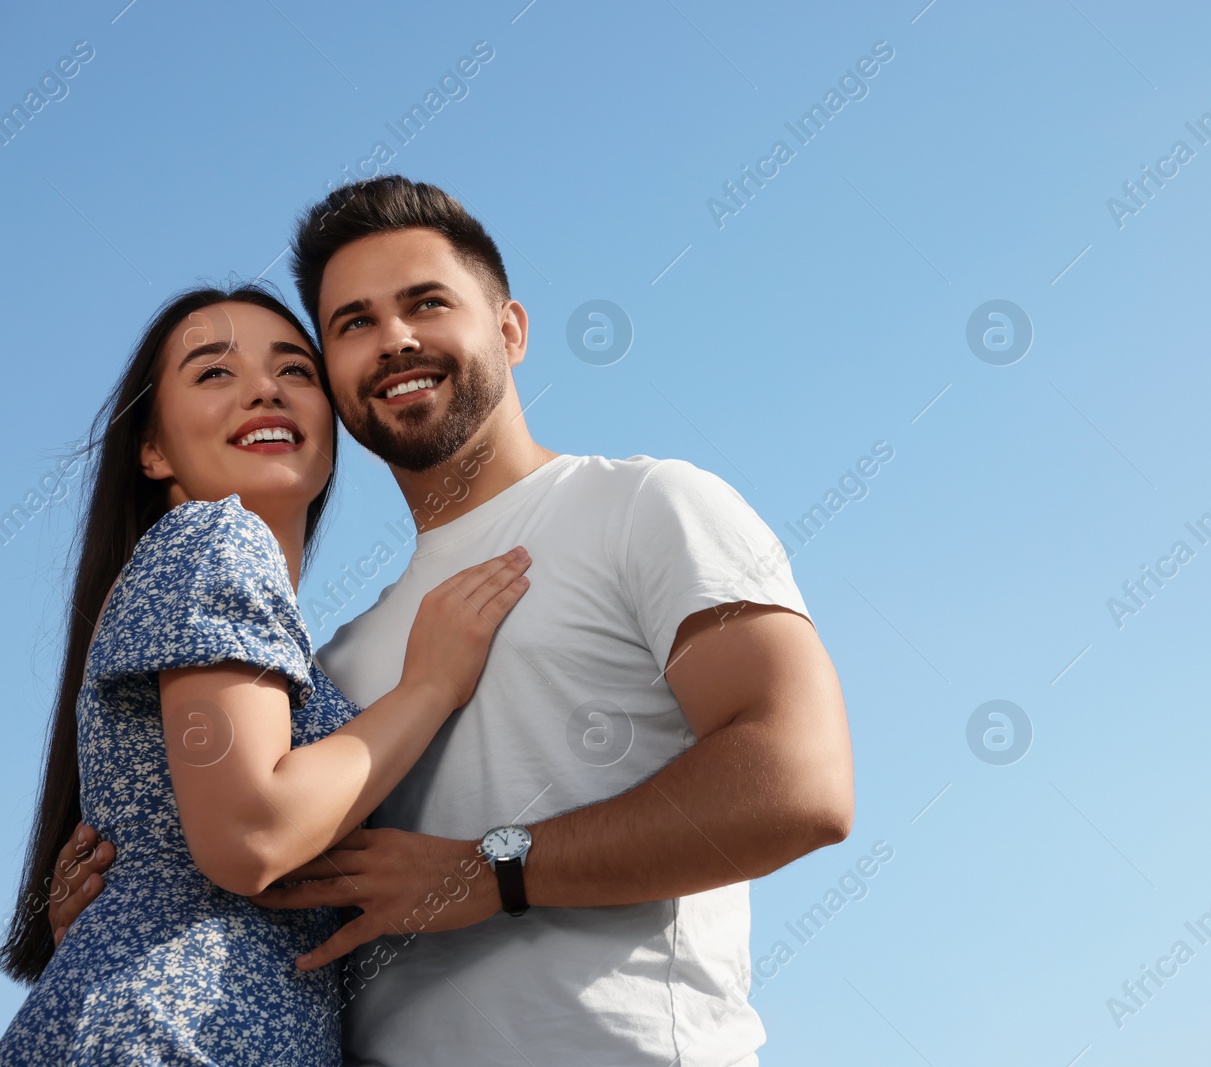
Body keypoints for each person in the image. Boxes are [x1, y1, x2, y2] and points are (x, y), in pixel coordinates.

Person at [45, 176, 856, 1065]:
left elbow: (799, 782)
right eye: (351, 324)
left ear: (509, 328)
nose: (393, 339)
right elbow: (260, 853)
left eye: (425, 303)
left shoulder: (643, 504)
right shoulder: (334, 669)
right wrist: (122, 909)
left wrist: (494, 867)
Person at [0, 284, 531, 1064]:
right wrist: (430, 686)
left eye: (296, 370)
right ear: (152, 450)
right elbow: (252, 833)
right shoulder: (216, 538)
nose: (264, 387)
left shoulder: (246, 615)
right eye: (215, 372)